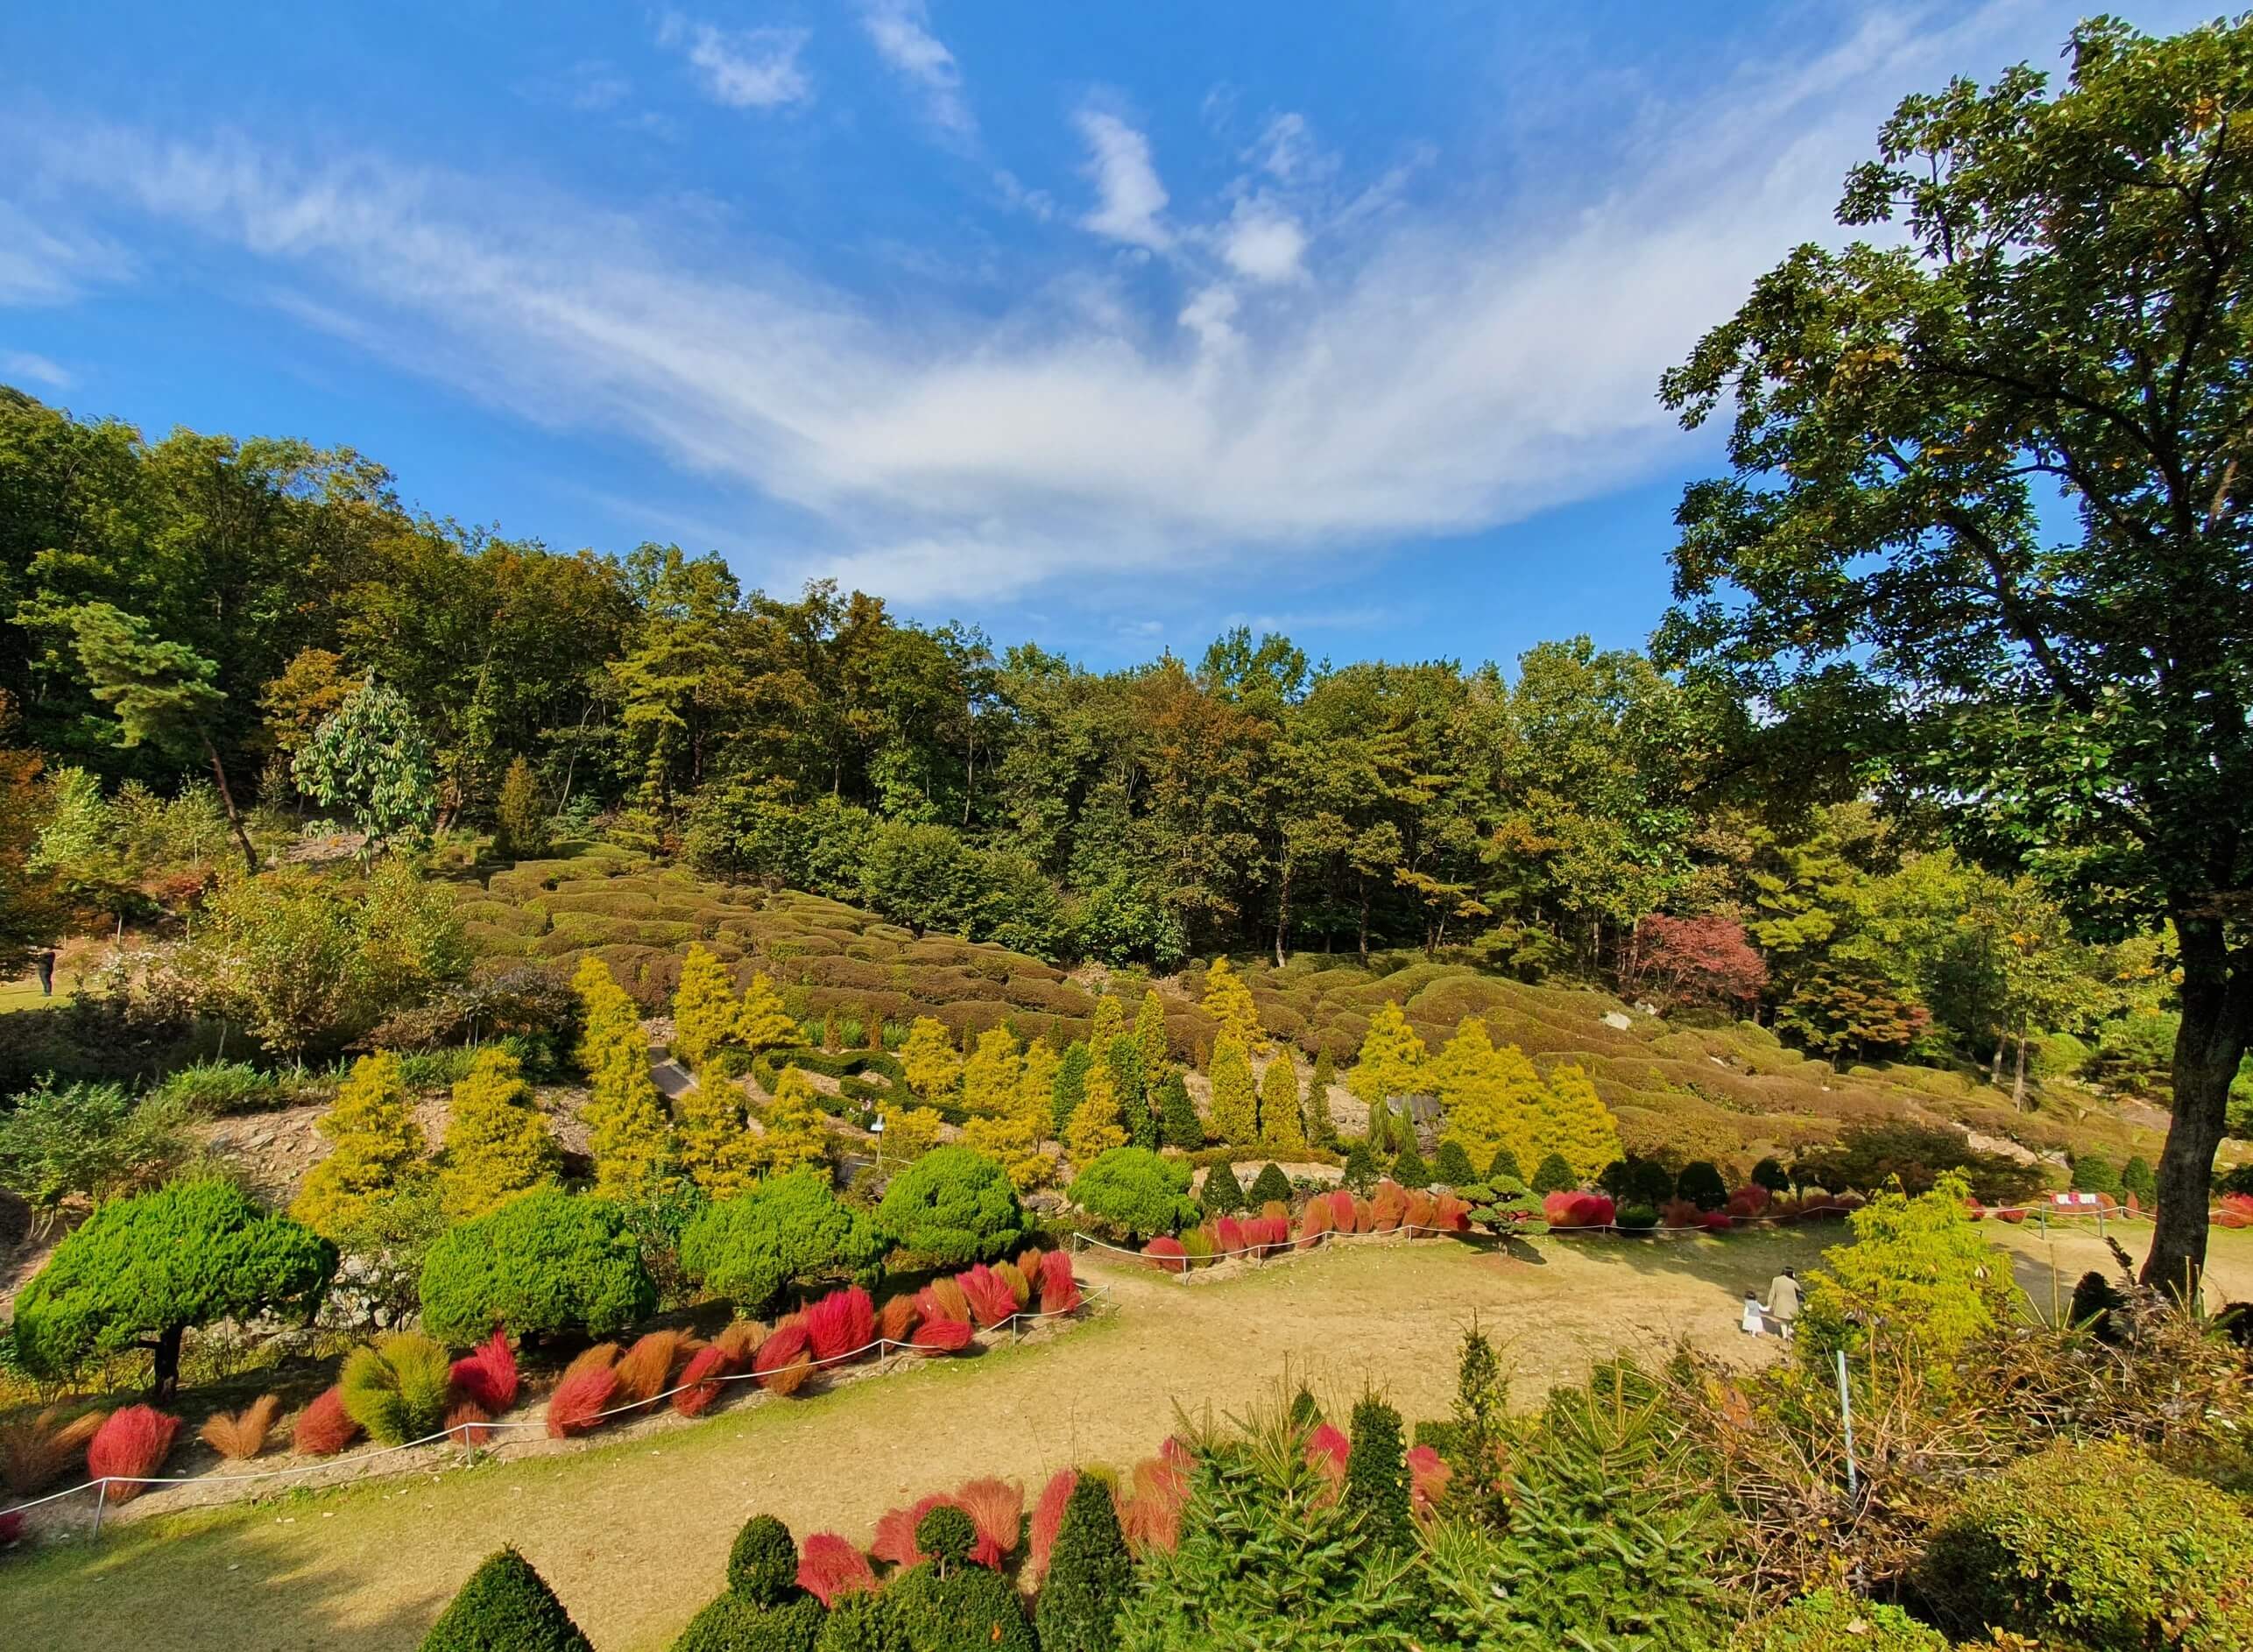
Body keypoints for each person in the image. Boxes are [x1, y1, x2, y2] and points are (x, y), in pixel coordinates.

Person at [1766, 1267, 1801, 1341]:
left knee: (1783, 1321)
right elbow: (1799, 1290)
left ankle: (1784, 1335)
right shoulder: (1793, 1282)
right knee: (1791, 1320)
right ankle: (1790, 1333)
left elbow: (1772, 1293)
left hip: (1780, 1305)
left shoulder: (1775, 1280)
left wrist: (1770, 1304)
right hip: (1792, 1305)